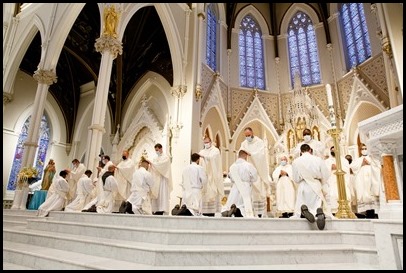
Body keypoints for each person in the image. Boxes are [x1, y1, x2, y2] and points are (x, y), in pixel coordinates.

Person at [291, 144, 331, 230]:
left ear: (301, 152)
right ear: (310, 150)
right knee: (317, 203)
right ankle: (318, 212)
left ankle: (305, 212)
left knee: (302, 203)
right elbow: (326, 174)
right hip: (316, 184)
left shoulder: (296, 161)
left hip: (304, 184)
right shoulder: (318, 159)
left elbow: (296, 179)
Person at [239, 127, 271, 217]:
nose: (247, 137)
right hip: (247, 173)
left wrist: (251, 154)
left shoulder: (259, 142)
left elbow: (261, 155)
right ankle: (249, 213)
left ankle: (261, 214)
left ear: (252, 133)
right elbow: (240, 154)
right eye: (246, 136)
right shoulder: (244, 143)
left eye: (249, 135)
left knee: (259, 194)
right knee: (249, 195)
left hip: (258, 171)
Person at [222, 149, 258, 218]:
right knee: (244, 204)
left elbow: (231, 177)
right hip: (246, 186)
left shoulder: (233, 166)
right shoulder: (248, 165)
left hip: (236, 186)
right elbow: (255, 177)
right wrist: (249, 180)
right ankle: (239, 212)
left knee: (235, 201)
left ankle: (232, 210)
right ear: (245, 156)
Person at [350, 144, 381, 219]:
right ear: (360, 150)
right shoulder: (358, 160)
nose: (364, 150)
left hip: (371, 179)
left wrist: (369, 163)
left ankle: (376, 212)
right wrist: (361, 164)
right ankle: (367, 212)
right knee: (365, 195)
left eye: (365, 148)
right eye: (362, 149)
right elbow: (352, 168)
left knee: (372, 194)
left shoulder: (372, 158)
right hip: (362, 181)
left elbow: (378, 165)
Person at [198, 137, 223, 217]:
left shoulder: (215, 150)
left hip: (212, 177)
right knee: (204, 197)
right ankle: (204, 213)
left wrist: (205, 157)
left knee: (211, 195)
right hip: (204, 177)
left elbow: (214, 160)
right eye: (204, 142)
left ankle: (211, 214)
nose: (206, 144)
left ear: (210, 142)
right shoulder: (202, 151)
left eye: (207, 142)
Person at [324, 146, 352, 215]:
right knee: (332, 195)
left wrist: (338, 167)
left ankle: (345, 210)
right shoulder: (327, 161)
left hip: (341, 181)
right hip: (331, 181)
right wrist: (330, 167)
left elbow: (346, 170)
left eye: (334, 150)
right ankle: (333, 212)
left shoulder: (344, 160)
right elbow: (324, 171)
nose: (333, 151)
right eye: (332, 150)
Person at [149, 143, 173, 215]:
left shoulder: (166, 157)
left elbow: (162, 167)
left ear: (161, 148)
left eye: (157, 150)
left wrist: (153, 164)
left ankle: (162, 209)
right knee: (156, 194)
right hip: (156, 179)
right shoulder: (155, 158)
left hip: (163, 179)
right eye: (155, 150)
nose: (156, 151)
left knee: (162, 194)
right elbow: (154, 167)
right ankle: (155, 209)